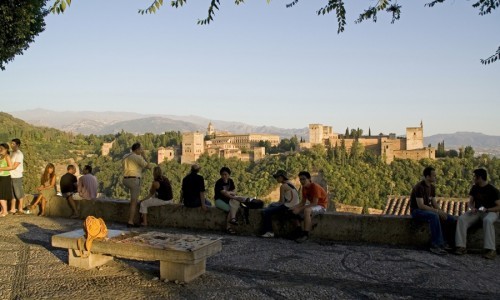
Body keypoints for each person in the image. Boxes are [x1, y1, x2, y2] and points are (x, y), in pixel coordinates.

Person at [455, 168, 500, 259]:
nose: (473, 178)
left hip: (491, 211)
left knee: (487, 220)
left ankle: (491, 250)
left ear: (480, 178)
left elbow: (499, 206)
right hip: (478, 211)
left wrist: (488, 210)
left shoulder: (493, 190)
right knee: (461, 219)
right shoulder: (474, 188)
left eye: (475, 177)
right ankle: (461, 247)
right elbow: (470, 202)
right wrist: (472, 208)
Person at [409, 166, 455, 255]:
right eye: (433, 176)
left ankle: (445, 242)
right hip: (416, 211)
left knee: (450, 219)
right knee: (434, 216)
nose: (435, 177)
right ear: (427, 177)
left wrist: (441, 211)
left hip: (427, 210)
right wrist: (437, 212)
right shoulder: (419, 187)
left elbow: (434, 203)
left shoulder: (432, 187)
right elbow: (421, 205)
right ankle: (436, 245)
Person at [122, 142, 155, 228]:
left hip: (125, 179)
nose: (142, 150)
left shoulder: (125, 156)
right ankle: (130, 221)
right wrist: (144, 156)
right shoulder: (138, 157)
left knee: (132, 199)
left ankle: (131, 220)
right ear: (137, 149)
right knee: (134, 202)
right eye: (141, 149)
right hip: (134, 180)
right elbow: (149, 166)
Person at [261, 170, 300, 238]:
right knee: (271, 207)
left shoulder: (283, 186)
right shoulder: (291, 183)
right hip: (294, 205)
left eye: (277, 177)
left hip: (288, 206)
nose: (276, 179)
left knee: (266, 212)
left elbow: (281, 201)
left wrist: (272, 204)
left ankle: (269, 231)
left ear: (282, 177)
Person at [292, 171, 328, 243]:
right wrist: (295, 207)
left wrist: (300, 209)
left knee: (307, 211)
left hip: (321, 206)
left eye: (304, 179)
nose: (302, 181)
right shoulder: (304, 188)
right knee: (293, 211)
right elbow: (303, 202)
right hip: (313, 205)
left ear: (309, 179)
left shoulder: (315, 187)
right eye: (300, 179)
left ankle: (306, 235)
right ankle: (299, 232)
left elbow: (315, 203)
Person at [214, 167, 241, 234]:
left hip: (228, 200)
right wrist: (232, 195)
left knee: (235, 204)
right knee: (231, 209)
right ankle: (228, 227)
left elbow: (234, 192)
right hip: (219, 200)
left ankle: (232, 221)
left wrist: (230, 193)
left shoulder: (230, 181)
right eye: (222, 174)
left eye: (225, 174)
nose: (224, 176)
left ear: (228, 175)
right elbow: (225, 193)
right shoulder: (219, 182)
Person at [9, 138, 25, 215]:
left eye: (13, 144)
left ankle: (20, 208)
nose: (12, 145)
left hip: (17, 176)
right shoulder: (11, 153)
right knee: (12, 193)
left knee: (18, 193)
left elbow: (14, 166)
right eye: (11, 144)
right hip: (10, 175)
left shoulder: (19, 154)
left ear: (18, 145)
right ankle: (12, 208)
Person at [0, 143, 13, 217]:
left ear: (6, 149)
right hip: (1, 177)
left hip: (5, 177)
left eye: (2, 148)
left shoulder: (7, 156)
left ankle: (5, 211)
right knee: (2, 195)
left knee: (1, 195)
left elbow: (10, 167)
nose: (0, 150)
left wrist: (1, 169)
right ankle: (2, 210)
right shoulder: (1, 156)